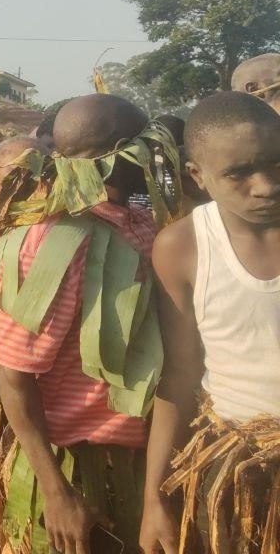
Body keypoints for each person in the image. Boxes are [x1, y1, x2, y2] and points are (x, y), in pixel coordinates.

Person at [0, 94, 181, 554]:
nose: (158, 152)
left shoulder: (140, 223)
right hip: (83, 467)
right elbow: (13, 375)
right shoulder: (48, 244)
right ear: (122, 153)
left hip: (145, 461)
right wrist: (57, 493)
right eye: (148, 142)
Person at [140, 92, 280, 554]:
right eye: (238, 173)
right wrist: (153, 499)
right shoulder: (183, 247)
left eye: (276, 163)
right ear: (197, 176)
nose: (265, 186)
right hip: (240, 467)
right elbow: (179, 374)